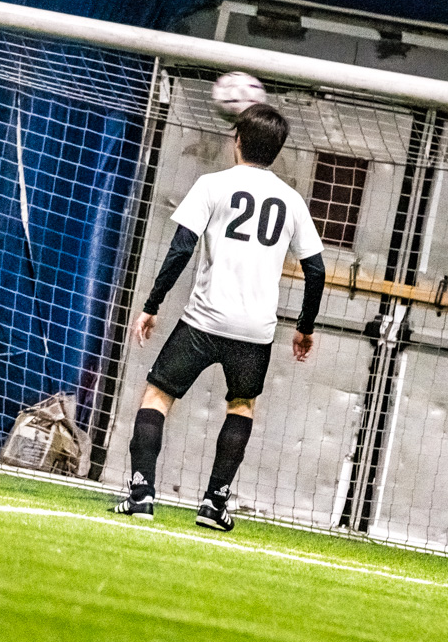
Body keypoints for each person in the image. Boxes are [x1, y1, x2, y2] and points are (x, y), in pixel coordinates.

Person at [113, 103, 327, 531]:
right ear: (277, 151)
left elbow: (180, 250)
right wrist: (304, 328)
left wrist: (152, 306)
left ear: (238, 142)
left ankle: (141, 494)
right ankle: (214, 503)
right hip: (255, 330)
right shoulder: (291, 201)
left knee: (157, 395)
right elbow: (316, 270)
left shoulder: (212, 185)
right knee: (242, 405)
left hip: (203, 321)